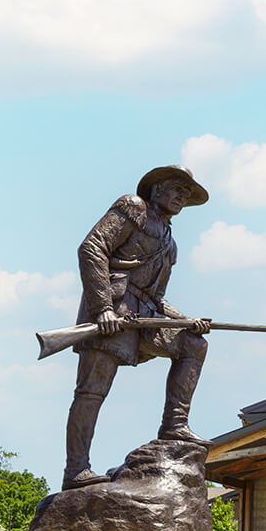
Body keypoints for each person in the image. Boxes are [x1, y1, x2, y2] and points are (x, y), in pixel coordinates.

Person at [63, 165, 212, 490]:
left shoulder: (170, 243)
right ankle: (76, 469)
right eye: (176, 189)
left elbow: (157, 299)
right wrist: (102, 307)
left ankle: (175, 424)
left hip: (143, 317)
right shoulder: (133, 208)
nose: (180, 198)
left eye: (185, 195)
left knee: (193, 344)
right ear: (156, 189)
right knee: (92, 391)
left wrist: (187, 321)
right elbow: (92, 249)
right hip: (111, 314)